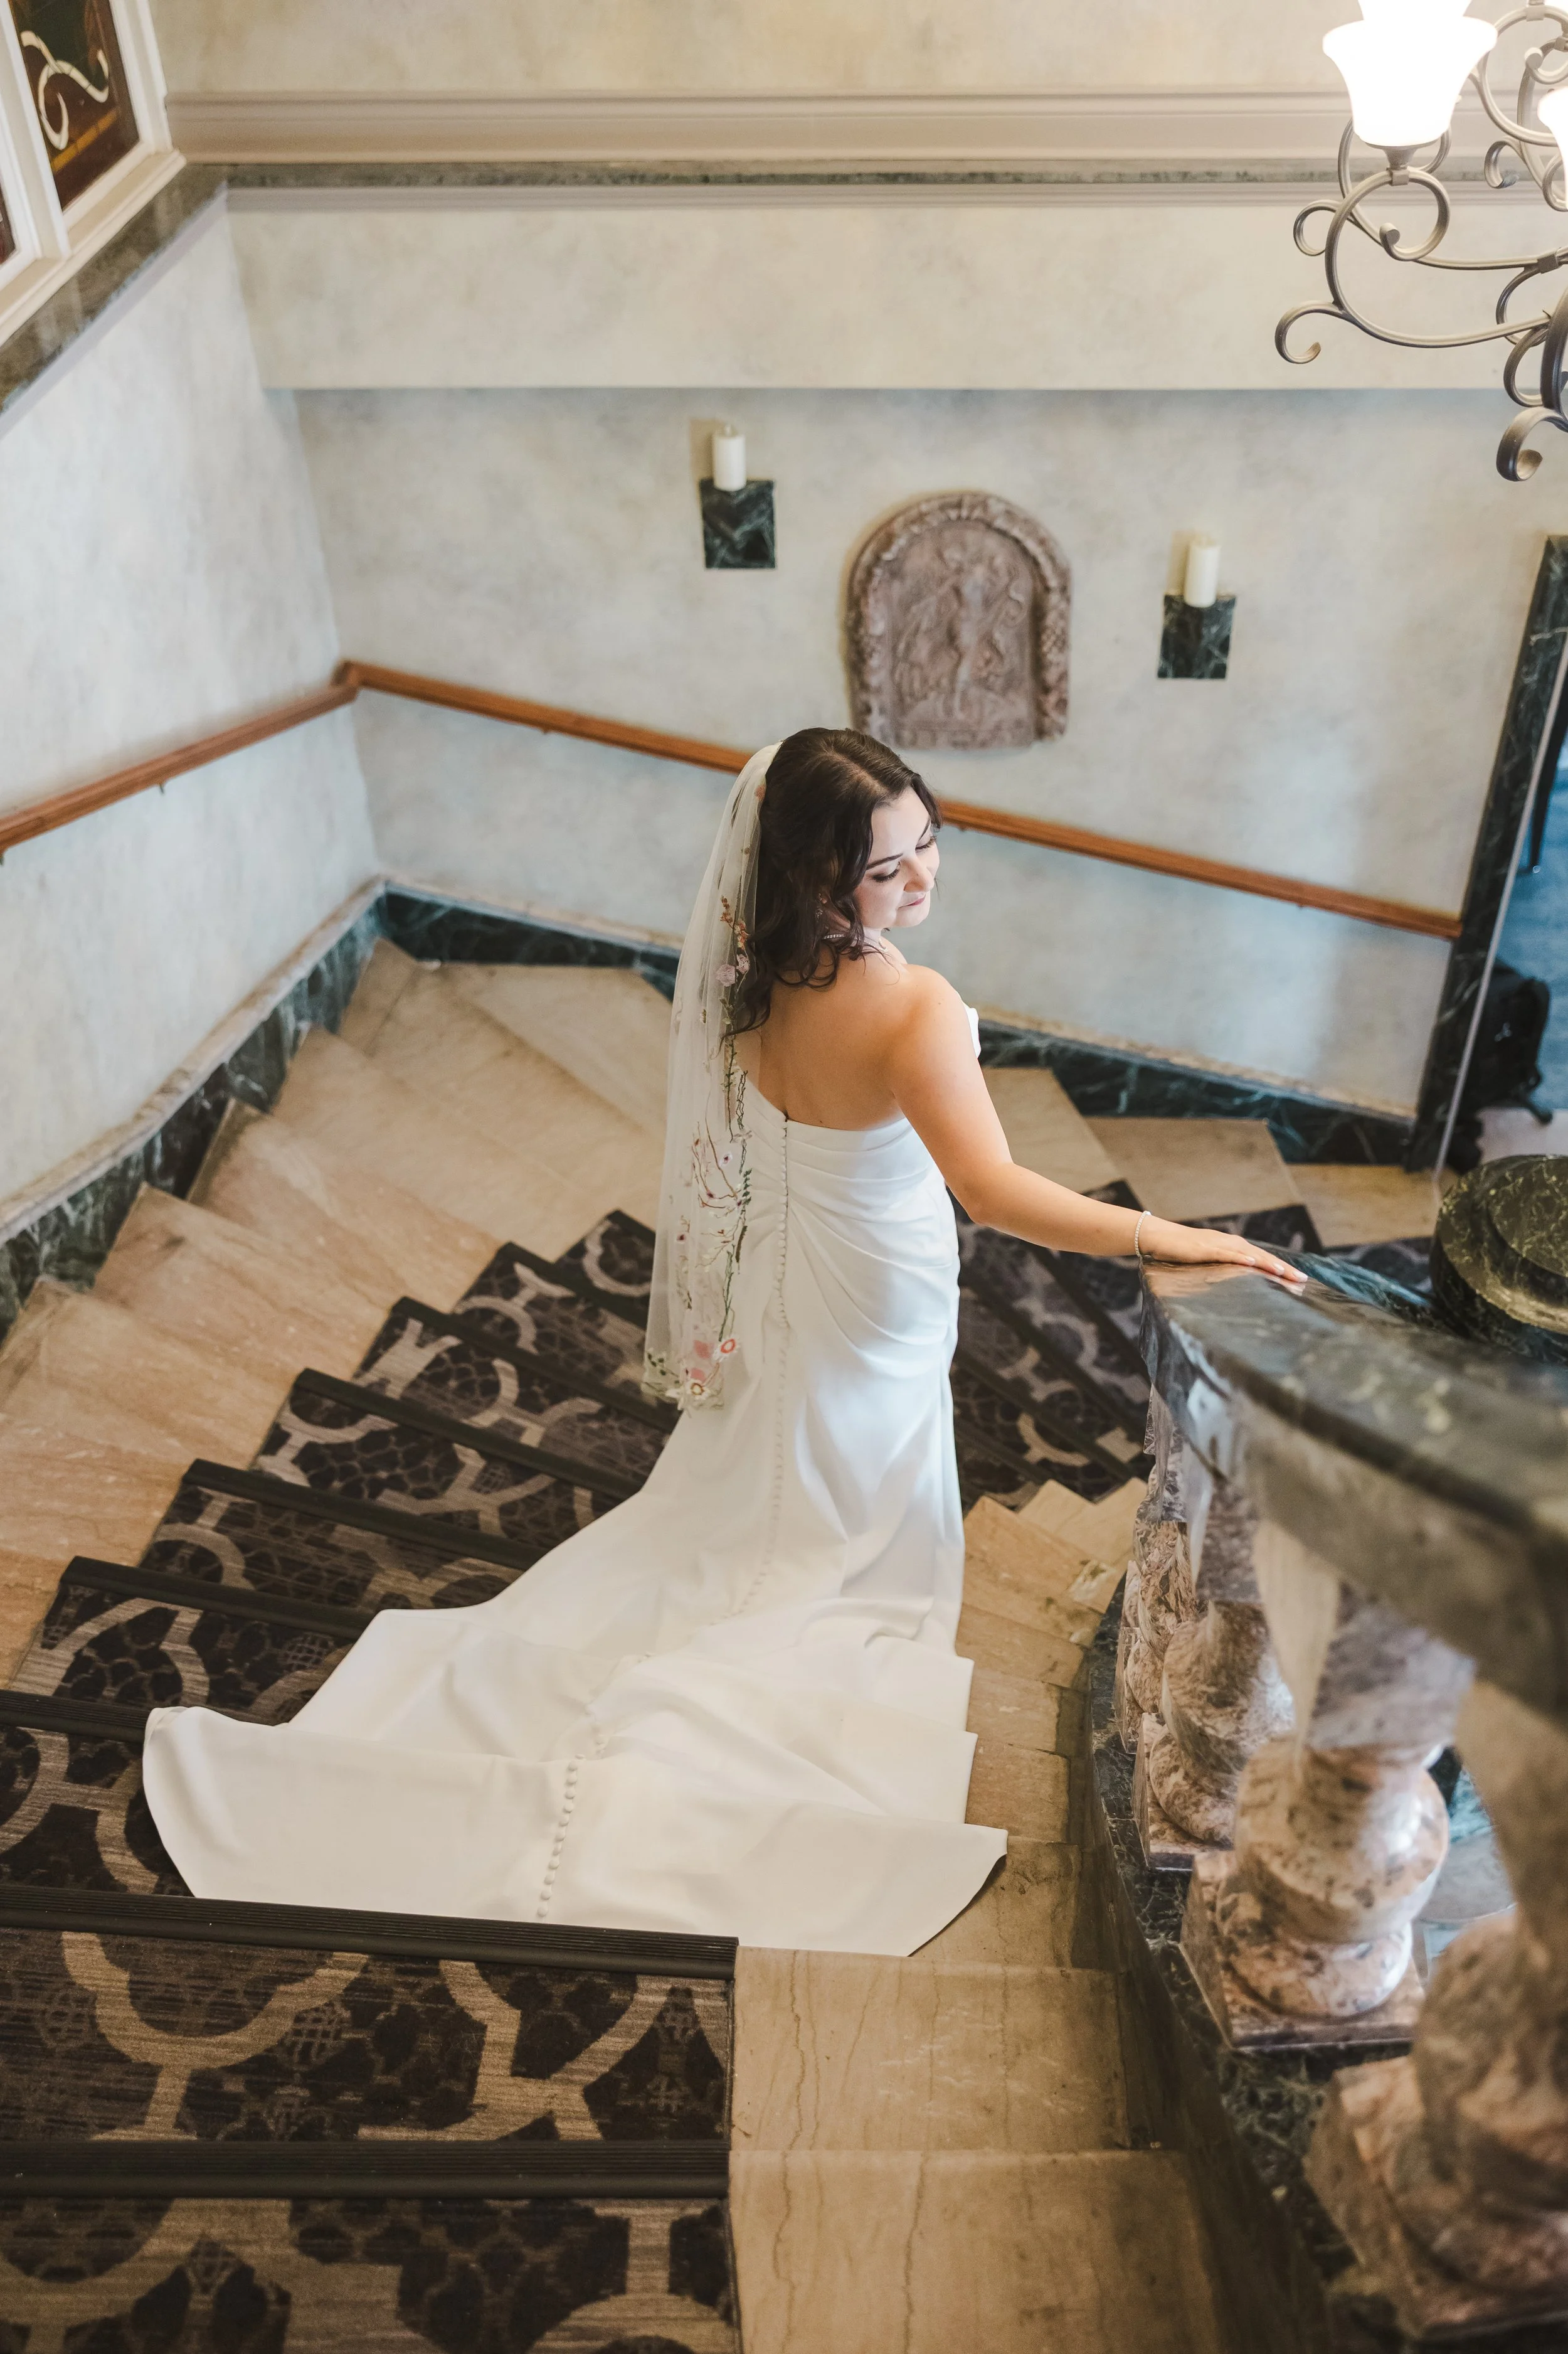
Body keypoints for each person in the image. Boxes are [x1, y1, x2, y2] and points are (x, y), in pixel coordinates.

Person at [143, 731, 1296, 1955]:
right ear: (813, 876)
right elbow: (993, 1193)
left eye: (926, 846)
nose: (919, 883)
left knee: (788, 1439)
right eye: (884, 870)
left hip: (794, 1263)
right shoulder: (911, 1006)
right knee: (856, 1465)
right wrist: (1161, 1234)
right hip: (880, 1277)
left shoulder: (752, 972)